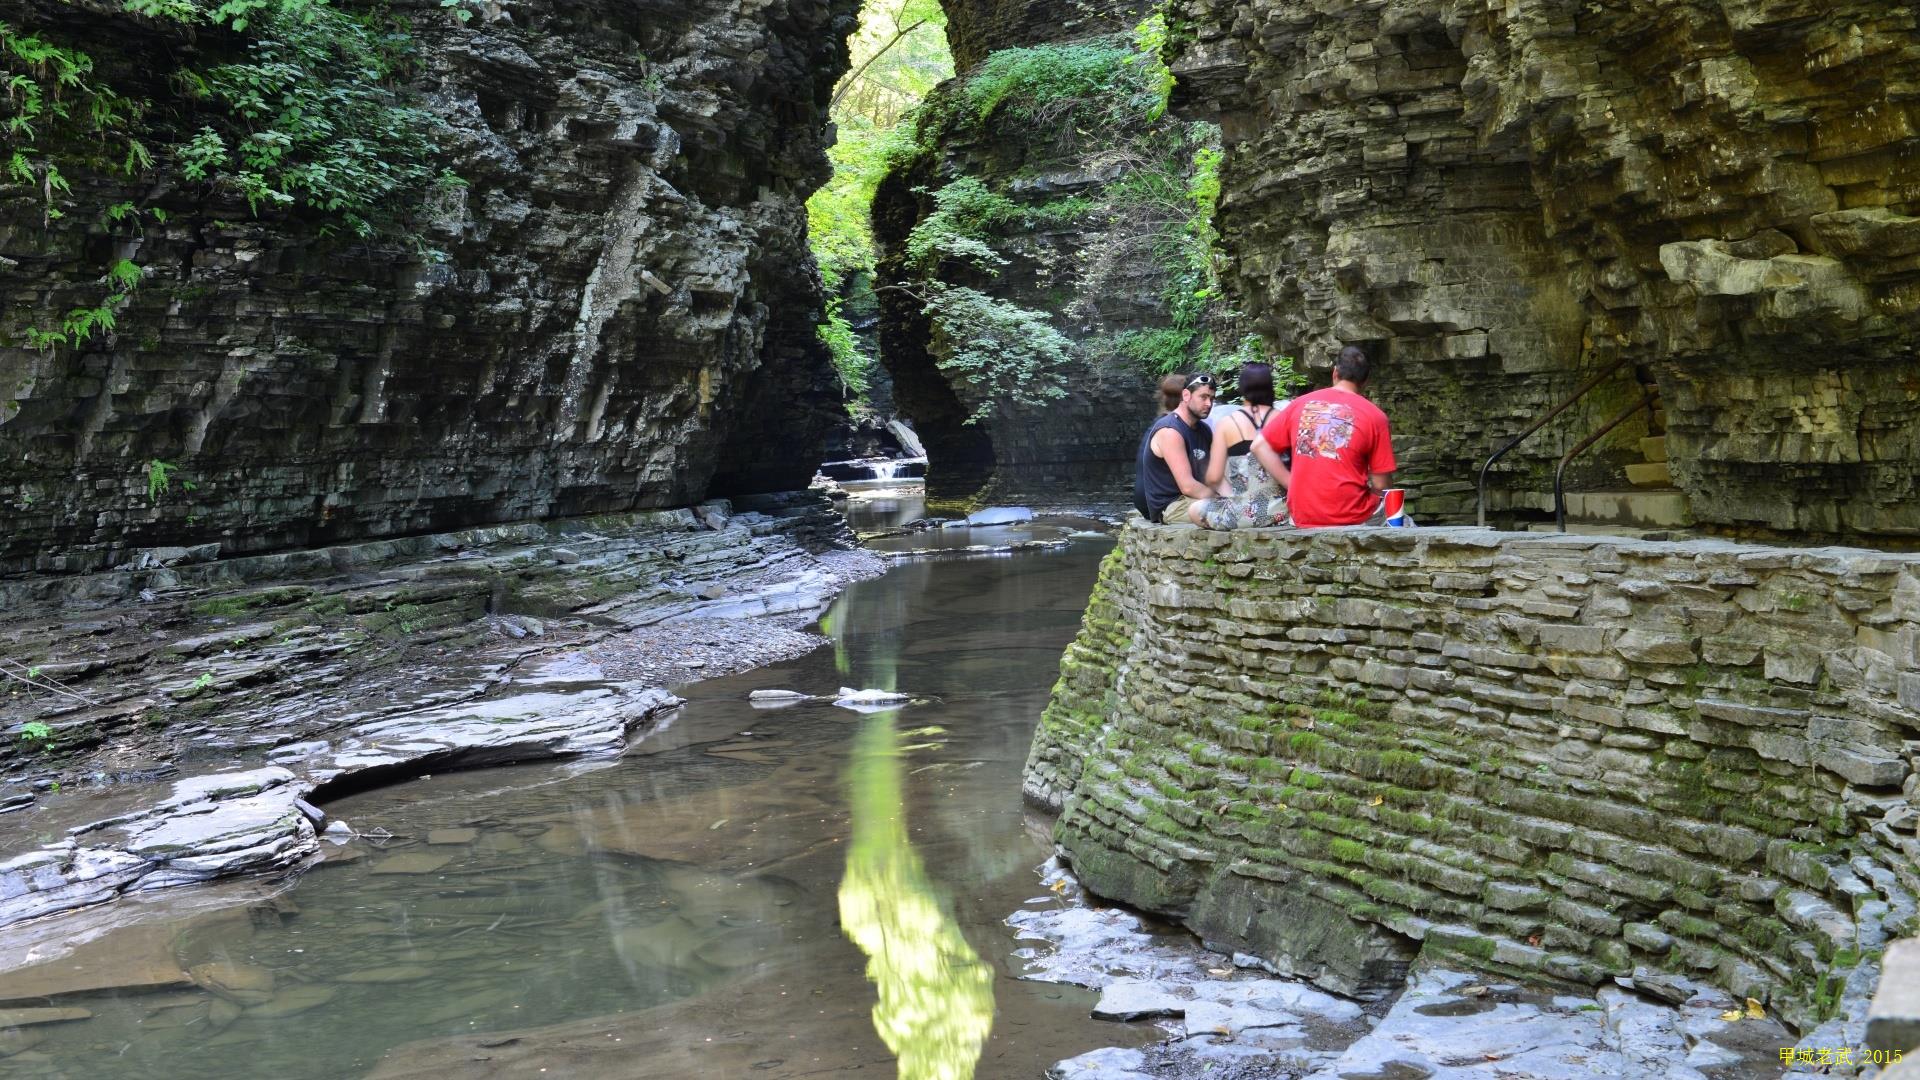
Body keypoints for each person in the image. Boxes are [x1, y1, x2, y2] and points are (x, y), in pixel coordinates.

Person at [1265, 345, 1396, 527]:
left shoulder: (1300, 404)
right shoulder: (1376, 417)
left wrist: (1291, 483)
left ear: (1335, 373)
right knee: (1404, 522)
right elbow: (1381, 484)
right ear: (1366, 381)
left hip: (1303, 515)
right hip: (1353, 517)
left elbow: (1259, 446)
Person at [1200, 362, 1291, 529]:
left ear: (1242, 388)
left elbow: (1214, 477)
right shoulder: (1283, 418)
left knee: (1195, 510)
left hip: (1243, 513)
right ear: (1270, 388)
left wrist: (1232, 497)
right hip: (1283, 511)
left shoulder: (1227, 423)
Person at [1133, 373, 1219, 525]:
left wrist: (1234, 495)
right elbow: (1187, 486)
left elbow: (1212, 475)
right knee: (1229, 513)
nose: (1209, 404)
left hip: (1195, 498)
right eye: (1203, 397)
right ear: (1186, 395)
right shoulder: (1170, 431)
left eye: (1212, 398)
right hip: (1172, 506)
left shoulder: (1204, 430)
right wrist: (1221, 499)